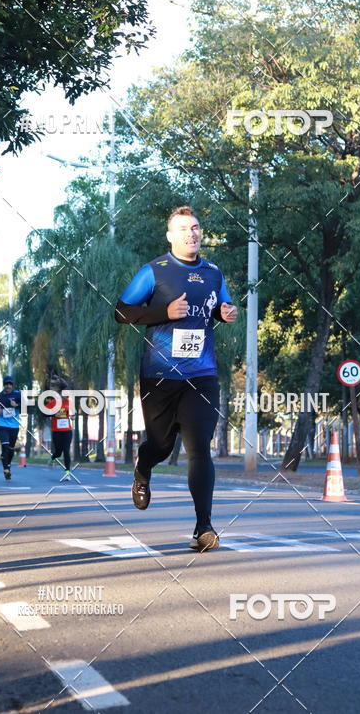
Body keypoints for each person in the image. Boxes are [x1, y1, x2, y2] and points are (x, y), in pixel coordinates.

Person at [114, 205, 237, 553]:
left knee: (199, 446)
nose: (191, 234)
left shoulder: (214, 272)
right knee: (162, 445)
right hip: (159, 375)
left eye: (195, 227)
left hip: (202, 373)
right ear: (170, 236)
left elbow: (224, 306)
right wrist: (162, 313)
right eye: (183, 228)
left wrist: (227, 313)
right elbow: (121, 311)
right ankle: (143, 466)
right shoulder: (155, 271)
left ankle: (204, 528)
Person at [0, 375, 22, 481]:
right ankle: (5, 469)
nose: (8, 386)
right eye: (6, 384)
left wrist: (16, 405)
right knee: (5, 446)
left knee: (10, 449)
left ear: (12, 385)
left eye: (10, 384)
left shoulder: (17, 394)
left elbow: (25, 406)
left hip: (14, 425)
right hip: (2, 424)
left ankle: (8, 465)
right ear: (4, 385)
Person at [44, 389, 73, 480]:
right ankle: (53, 457)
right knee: (58, 453)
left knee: (66, 451)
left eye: (68, 396)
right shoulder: (53, 403)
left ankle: (67, 473)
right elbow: (44, 413)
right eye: (65, 395)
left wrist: (73, 416)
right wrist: (53, 414)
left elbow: (74, 414)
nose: (66, 397)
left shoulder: (70, 403)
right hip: (57, 431)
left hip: (67, 430)